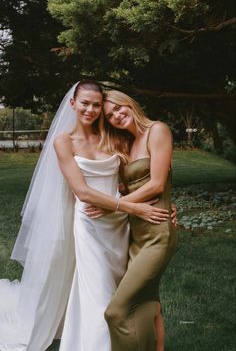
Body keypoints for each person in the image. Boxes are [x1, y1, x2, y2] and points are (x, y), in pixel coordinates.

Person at [0, 80, 171, 351]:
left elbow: (131, 181)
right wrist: (133, 207)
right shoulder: (63, 142)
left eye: (96, 105)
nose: (90, 110)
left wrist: (163, 204)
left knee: (130, 290)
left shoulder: (111, 136)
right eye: (85, 103)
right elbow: (82, 191)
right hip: (92, 223)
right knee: (100, 293)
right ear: (72, 104)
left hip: (122, 225)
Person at [87, 89, 177, 351]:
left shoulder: (157, 130)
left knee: (116, 312)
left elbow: (158, 184)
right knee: (150, 305)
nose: (116, 116)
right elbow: (135, 188)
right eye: (110, 116)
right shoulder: (127, 144)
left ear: (129, 103)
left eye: (118, 108)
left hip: (158, 233)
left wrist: (114, 207)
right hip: (136, 236)